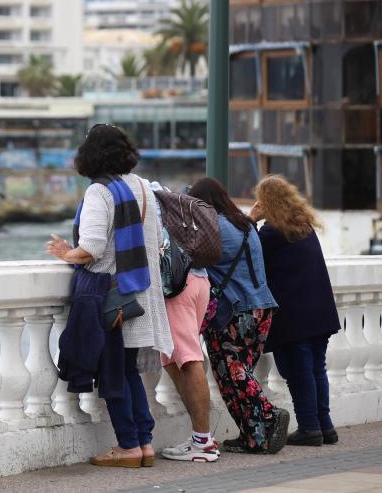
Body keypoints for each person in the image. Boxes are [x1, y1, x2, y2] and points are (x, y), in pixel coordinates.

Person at [47, 124, 172, 468]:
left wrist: (65, 253)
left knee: (115, 372)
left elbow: (92, 247)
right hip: (140, 292)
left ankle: (129, 445)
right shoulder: (143, 187)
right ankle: (143, 443)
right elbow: (157, 237)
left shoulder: (100, 192)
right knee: (129, 370)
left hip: (110, 296)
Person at [187, 177, 289, 454]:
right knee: (240, 374)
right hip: (263, 308)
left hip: (234, 311)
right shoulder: (244, 225)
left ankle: (270, 414)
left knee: (232, 374)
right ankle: (254, 438)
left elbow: (189, 259)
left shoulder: (214, 228)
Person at [249, 175, 341, 446]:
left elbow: (250, 256)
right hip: (319, 312)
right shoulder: (304, 226)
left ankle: (310, 428)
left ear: (267, 202)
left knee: (299, 372)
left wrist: (250, 220)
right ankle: (325, 426)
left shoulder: (271, 232)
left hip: (293, 317)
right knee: (316, 369)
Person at [150, 182, 219, 463]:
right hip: (200, 279)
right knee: (172, 358)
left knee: (189, 359)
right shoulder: (167, 194)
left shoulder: (149, 199)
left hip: (178, 284)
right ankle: (199, 439)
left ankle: (203, 443)